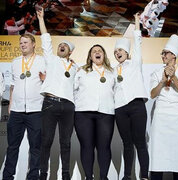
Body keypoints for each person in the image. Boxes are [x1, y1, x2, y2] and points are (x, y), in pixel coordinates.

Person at [37, 8, 77, 180]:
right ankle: (43, 174)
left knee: (66, 143)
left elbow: (78, 88)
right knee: (46, 141)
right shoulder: (51, 59)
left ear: (70, 52)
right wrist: (41, 19)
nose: (62, 46)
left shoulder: (76, 68)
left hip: (68, 106)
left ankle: (65, 175)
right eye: (60, 45)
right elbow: (46, 39)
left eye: (65, 46)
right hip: (50, 103)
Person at [2, 33, 45, 180]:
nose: (23, 45)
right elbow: (13, 86)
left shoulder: (42, 61)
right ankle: (7, 176)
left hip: (36, 110)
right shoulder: (15, 62)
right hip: (17, 110)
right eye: (21, 43)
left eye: (26, 42)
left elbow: (49, 83)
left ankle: (33, 176)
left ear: (34, 44)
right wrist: (11, 104)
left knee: (35, 148)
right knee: (12, 147)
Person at [149, 34, 178, 180]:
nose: (163, 56)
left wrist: (174, 78)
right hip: (161, 116)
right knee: (158, 155)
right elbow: (152, 94)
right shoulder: (156, 72)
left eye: (165, 53)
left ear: (173, 55)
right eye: (162, 53)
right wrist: (162, 81)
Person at [113, 13, 149, 180]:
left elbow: (138, 42)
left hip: (136, 106)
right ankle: (127, 176)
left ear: (127, 52)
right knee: (127, 144)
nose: (117, 53)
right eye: (115, 51)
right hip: (120, 108)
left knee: (140, 143)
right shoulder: (112, 70)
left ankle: (143, 176)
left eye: (120, 50)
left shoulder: (135, 63)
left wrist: (136, 22)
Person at [74, 44, 115, 180]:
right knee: (87, 146)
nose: (97, 53)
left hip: (106, 113)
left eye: (100, 51)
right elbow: (72, 89)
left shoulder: (112, 73)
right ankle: (88, 177)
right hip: (83, 113)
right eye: (94, 51)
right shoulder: (81, 71)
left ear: (104, 55)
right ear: (90, 57)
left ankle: (103, 177)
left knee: (104, 147)